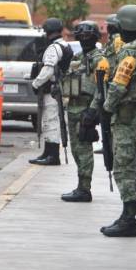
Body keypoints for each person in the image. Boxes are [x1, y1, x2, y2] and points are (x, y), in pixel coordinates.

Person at [101, 4, 136, 237]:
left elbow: (119, 84)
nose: (118, 31)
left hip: (127, 116)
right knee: (130, 164)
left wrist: (106, 107)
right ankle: (126, 215)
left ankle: (129, 219)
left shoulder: (131, 52)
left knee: (125, 166)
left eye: (120, 26)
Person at [60, 21, 105, 202]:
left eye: (88, 37)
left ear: (95, 38)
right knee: (76, 150)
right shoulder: (78, 57)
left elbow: (101, 89)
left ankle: (84, 188)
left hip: (86, 109)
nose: (85, 40)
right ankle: (80, 185)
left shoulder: (99, 60)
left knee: (84, 150)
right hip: (73, 108)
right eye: (81, 36)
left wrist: (93, 111)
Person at [30, 18, 72, 165]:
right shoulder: (64, 45)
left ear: (47, 31)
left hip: (53, 90)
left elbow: (48, 69)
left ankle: (53, 156)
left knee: (51, 122)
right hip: (58, 89)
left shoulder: (54, 48)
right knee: (49, 121)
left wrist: (36, 84)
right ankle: (47, 153)